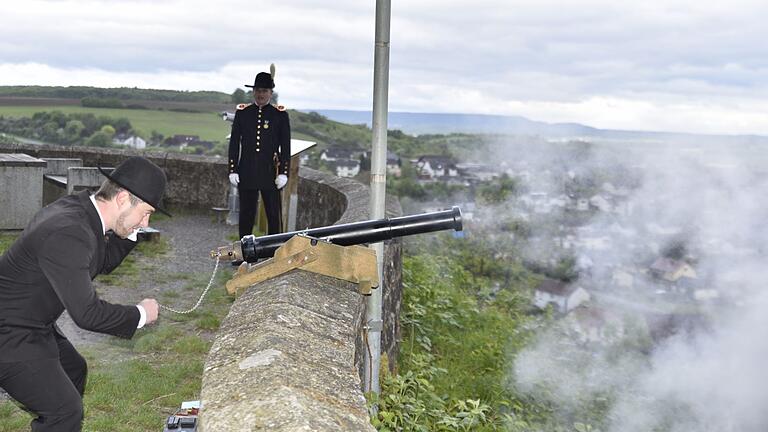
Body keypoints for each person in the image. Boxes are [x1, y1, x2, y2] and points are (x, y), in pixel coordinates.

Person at [0, 156, 169, 431]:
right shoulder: (70, 230)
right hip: (9, 333)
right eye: (147, 212)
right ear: (123, 198)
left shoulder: (82, 212)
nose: (146, 222)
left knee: (73, 369)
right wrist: (140, 314)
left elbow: (101, 260)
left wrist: (133, 229)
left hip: (29, 320)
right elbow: (87, 314)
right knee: (64, 411)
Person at [228, 70, 291, 238]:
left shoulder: (280, 115)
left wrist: (284, 173)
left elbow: (286, 147)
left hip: (270, 172)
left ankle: (273, 253)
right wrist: (233, 169)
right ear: (253, 92)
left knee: (273, 216)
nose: (260, 94)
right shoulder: (243, 113)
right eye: (257, 90)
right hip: (246, 171)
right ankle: (244, 251)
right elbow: (234, 143)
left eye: (264, 91)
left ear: (271, 93)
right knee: (246, 215)